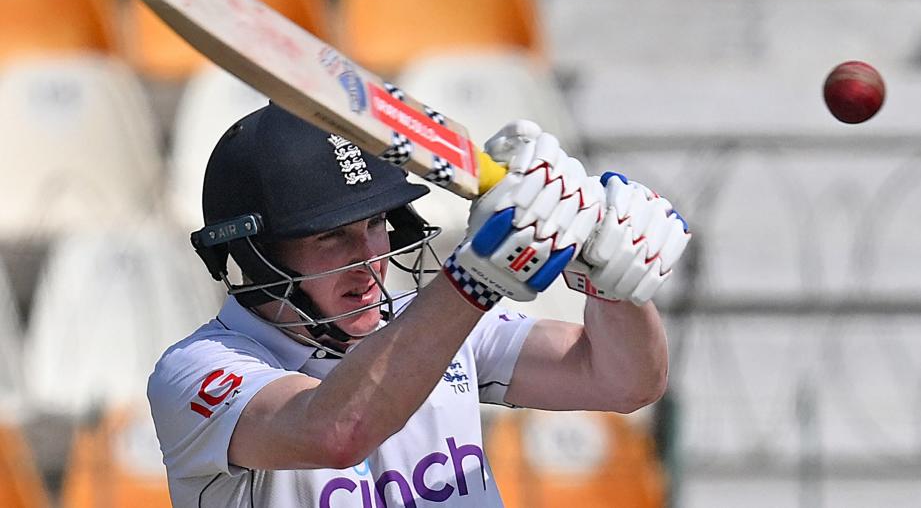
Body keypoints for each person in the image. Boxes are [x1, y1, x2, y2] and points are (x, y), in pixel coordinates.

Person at [147, 103, 691, 507]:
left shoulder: (423, 320)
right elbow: (336, 431)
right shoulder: (197, 371)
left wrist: (609, 278)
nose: (370, 259)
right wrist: (475, 278)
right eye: (331, 237)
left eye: (376, 225)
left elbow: (624, 382)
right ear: (256, 256)